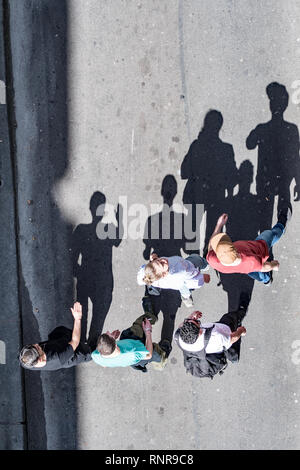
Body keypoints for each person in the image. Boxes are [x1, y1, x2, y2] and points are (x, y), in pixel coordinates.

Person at [206, 208, 291, 284]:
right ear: (236, 251)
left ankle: (267, 280)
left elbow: (210, 246)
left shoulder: (212, 260)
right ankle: (281, 225)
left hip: (246, 269)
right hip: (260, 248)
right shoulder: (251, 260)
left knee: (255, 272)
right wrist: (273, 266)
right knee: (271, 234)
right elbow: (264, 267)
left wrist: (219, 225)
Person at [173, 295, 248, 379]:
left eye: (187, 321)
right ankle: (242, 310)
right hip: (225, 333)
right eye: (197, 322)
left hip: (210, 354)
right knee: (230, 320)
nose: (194, 319)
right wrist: (240, 331)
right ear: (200, 332)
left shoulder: (177, 337)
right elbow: (233, 338)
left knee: (229, 350)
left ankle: (234, 359)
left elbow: (181, 326)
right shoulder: (215, 337)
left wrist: (191, 317)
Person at [92, 296, 171, 372]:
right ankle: (162, 358)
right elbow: (148, 355)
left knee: (136, 327)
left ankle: (150, 316)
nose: (108, 332)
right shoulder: (131, 353)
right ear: (115, 345)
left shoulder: (96, 356)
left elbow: (104, 365)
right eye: (109, 335)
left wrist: (113, 339)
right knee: (155, 352)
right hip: (138, 349)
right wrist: (148, 332)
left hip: (129, 348)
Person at [19, 302, 91, 370]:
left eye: (33, 345)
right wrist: (77, 318)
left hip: (57, 342)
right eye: (38, 348)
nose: (37, 344)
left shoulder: (26, 361)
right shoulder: (58, 358)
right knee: (85, 353)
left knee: (62, 332)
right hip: (71, 355)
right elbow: (75, 341)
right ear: (40, 359)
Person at [137, 253, 210, 308]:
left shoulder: (148, 274)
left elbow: (140, 280)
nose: (163, 260)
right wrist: (202, 278)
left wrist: (154, 258)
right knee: (196, 259)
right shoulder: (180, 271)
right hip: (184, 278)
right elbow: (193, 281)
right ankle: (206, 264)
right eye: (162, 264)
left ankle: (187, 301)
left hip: (175, 283)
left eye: (157, 260)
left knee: (185, 292)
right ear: (164, 274)